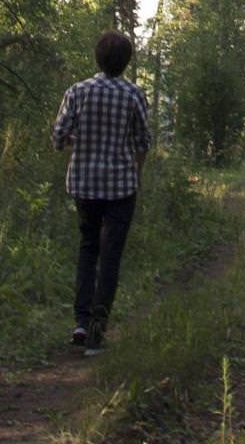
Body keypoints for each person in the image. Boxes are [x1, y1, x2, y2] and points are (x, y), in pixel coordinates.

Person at [51, 29, 151, 355]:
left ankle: (80, 322)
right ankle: (96, 333)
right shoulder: (134, 95)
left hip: (83, 184)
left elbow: (58, 137)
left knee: (87, 248)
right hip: (122, 187)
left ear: (97, 57)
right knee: (110, 258)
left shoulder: (77, 92)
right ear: (126, 61)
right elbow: (142, 143)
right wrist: (135, 172)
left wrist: (79, 146)